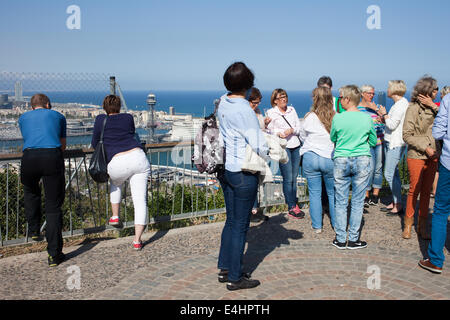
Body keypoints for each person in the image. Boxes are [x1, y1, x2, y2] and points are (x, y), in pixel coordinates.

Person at [216, 62, 270, 291]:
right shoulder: (245, 110)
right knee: (240, 226)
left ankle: (226, 267)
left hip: (228, 168)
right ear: (248, 85)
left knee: (231, 221)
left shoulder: (223, 102)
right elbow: (258, 144)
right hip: (243, 171)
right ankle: (235, 278)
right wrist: (271, 149)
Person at [91, 95, 150, 250]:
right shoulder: (128, 117)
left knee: (116, 182)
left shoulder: (100, 120)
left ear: (104, 107)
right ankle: (137, 240)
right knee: (140, 201)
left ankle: (115, 216)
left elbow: (94, 143)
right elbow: (130, 133)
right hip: (138, 157)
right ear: (118, 106)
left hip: (117, 161)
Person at [19, 94, 67, 267]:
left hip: (29, 157)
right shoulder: (58, 116)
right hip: (51, 157)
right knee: (53, 206)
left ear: (32, 107)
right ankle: (54, 255)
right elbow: (63, 146)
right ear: (48, 105)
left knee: (31, 192)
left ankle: (33, 229)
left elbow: (28, 139)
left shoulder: (22, 118)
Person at [330, 85, 377, 250]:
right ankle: (354, 239)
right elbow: (372, 141)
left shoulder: (338, 118)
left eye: (341, 97)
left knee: (341, 201)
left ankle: (341, 238)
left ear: (347, 99)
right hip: (362, 159)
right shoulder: (366, 119)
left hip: (342, 158)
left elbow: (333, 137)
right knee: (357, 201)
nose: (340, 100)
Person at [402, 76, 440, 240]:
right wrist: (425, 148)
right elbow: (407, 135)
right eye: (434, 89)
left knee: (426, 192)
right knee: (414, 190)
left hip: (434, 155)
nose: (437, 92)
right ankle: (408, 225)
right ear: (427, 91)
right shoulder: (412, 109)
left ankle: (422, 226)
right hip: (417, 154)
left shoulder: (437, 108)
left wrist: (433, 106)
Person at [418, 93, 450, 273]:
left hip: (448, 163)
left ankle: (436, 259)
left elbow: (437, 132)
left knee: (440, 211)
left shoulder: (448, 100)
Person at [299, 87, 336, 233]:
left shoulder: (309, 116)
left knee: (314, 193)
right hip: (329, 157)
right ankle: (336, 224)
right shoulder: (335, 116)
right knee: (333, 193)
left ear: (315, 98)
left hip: (310, 156)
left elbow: (302, 136)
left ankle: (317, 226)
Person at [266, 89, 305, 219]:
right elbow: (269, 131)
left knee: (294, 177)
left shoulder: (292, 110)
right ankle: (292, 205)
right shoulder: (271, 112)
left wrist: (292, 130)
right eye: (281, 97)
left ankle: (294, 203)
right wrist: (279, 132)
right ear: (275, 100)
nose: (284, 99)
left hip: (295, 145)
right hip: (283, 147)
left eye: (285, 96)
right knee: (288, 178)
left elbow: (299, 128)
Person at [377, 80, 409, 215]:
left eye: (389, 87)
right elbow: (392, 123)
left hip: (395, 143)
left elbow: (392, 125)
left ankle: (399, 204)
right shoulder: (399, 104)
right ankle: (396, 201)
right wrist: (384, 119)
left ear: (395, 90)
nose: (387, 90)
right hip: (392, 141)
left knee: (389, 174)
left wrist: (384, 114)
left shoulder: (401, 105)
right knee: (394, 173)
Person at [358, 85, 385, 207]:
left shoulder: (377, 107)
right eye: (369, 93)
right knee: (369, 168)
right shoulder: (358, 109)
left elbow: (386, 121)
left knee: (378, 168)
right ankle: (366, 194)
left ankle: (376, 193)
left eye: (373, 93)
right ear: (362, 94)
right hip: (367, 142)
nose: (371, 95)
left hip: (379, 140)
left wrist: (379, 113)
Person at [247, 87, 270, 222]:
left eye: (258, 103)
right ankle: (252, 210)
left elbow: (261, 128)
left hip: (259, 151)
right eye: (254, 103)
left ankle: (256, 209)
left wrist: (265, 124)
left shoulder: (258, 111)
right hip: (249, 152)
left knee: (257, 181)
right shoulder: (246, 113)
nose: (256, 106)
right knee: (251, 182)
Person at [428, 86, 450, 197]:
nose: (440, 96)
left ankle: (435, 191)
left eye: (441, 94)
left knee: (439, 168)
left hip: (440, 142)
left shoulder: (439, 105)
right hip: (443, 142)